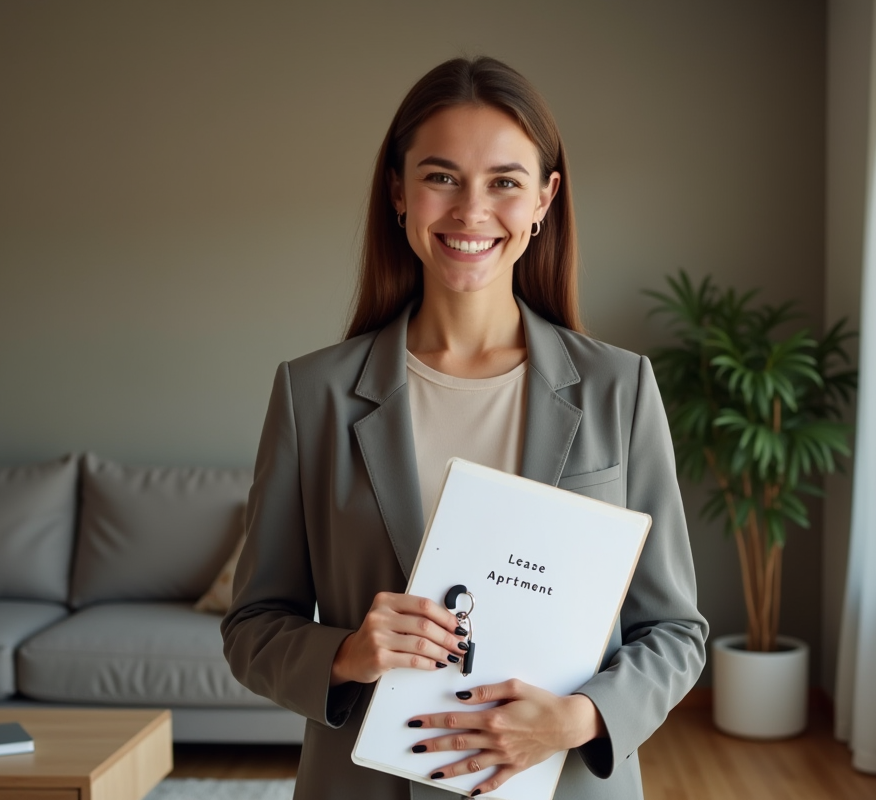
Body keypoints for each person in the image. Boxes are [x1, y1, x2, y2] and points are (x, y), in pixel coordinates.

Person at [222, 56, 707, 800]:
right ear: (398, 191)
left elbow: (674, 632)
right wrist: (347, 654)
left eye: (504, 182)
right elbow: (253, 627)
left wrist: (580, 718)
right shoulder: (310, 394)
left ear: (544, 199)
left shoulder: (621, 388)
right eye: (442, 177)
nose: (471, 211)